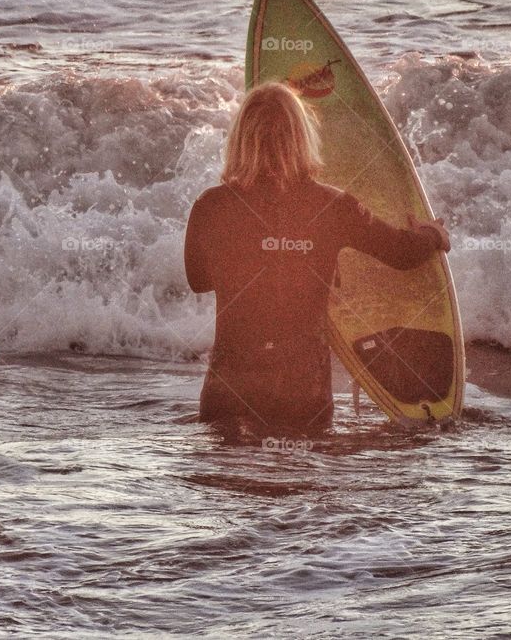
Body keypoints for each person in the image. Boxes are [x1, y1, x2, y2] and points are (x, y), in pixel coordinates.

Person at [184, 82, 450, 438]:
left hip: (229, 391)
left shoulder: (210, 205)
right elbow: (402, 253)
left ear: (240, 139)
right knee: (303, 485)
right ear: (302, 137)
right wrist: (432, 235)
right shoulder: (333, 206)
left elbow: (198, 280)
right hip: (301, 394)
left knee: (231, 487)